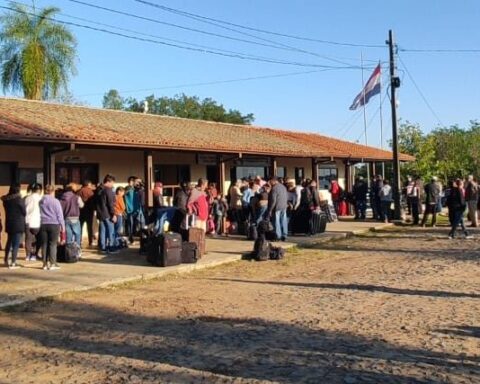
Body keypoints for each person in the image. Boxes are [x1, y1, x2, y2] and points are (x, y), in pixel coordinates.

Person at [39, 184, 65, 270]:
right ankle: (53, 263)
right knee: (53, 244)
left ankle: (44, 264)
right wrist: (62, 226)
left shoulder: (40, 201)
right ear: (53, 191)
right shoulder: (56, 201)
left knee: (44, 244)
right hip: (54, 224)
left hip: (43, 224)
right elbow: (60, 215)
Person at [2, 184, 26, 269]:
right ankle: (13, 262)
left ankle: (6, 260)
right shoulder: (19, 200)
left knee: (9, 242)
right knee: (16, 243)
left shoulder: (6, 200)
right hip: (18, 223)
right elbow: (24, 211)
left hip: (9, 222)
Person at [96, 174, 118, 254]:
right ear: (108, 182)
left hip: (100, 213)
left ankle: (103, 247)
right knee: (111, 231)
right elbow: (110, 204)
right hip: (108, 214)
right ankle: (111, 247)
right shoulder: (108, 191)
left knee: (102, 231)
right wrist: (113, 214)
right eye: (112, 183)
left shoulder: (99, 190)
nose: (113, 185)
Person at [60, 183, 84, 249]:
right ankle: (77, 251)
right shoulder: (76, 197)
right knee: (77, 235)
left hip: (66, 218)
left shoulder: (61, 198)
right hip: (75, 218)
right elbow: (81, 205)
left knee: (68, 236)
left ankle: (68, 252)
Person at [24, 183, 42, 261]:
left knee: (28, 239)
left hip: (27, 220)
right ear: (39, 190)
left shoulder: (27, 198)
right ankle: (34, 254)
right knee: (38, 239)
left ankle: (28, 255)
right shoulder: (41, 198)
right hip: (37, 220)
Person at [267, 177, 288, 241]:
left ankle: (277, 236)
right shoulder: (283, 187)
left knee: (276, 222)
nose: (270, 183)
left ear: (274, 181)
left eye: (270, 181)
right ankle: (284, 234)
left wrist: (270, 210)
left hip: (276, 207)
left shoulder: (274, 188)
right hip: (283, 206)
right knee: (284, 221)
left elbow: (273, 200)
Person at [124, 176, 142, 244]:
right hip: (130, 210)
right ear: (131, 182)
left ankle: (132, 237)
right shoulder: (128, 188)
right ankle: (130, 238)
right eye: (136, 181)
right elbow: (124, 195)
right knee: (130, 225)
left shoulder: (135, 189)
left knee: (134, 224)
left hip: (135, 209)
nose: (137, 183)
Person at [78, 180, 95, 247]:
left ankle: (79, 241)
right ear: (88, 185)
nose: (91, 186)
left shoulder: (79, 191)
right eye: (90, 184)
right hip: (89, 212)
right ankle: (90, 241)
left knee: (80, 227)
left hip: (81, 211)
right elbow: (93, 202)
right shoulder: (90, 192)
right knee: (89, 227)